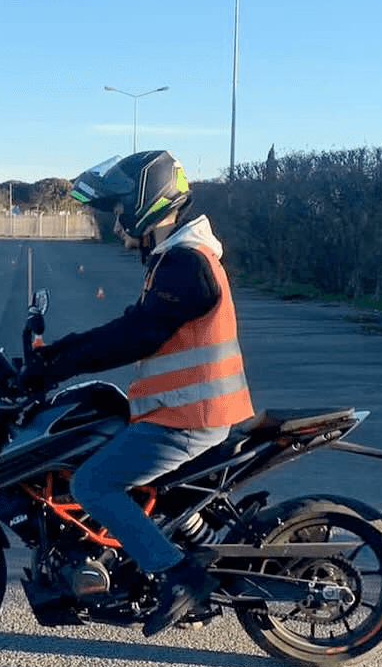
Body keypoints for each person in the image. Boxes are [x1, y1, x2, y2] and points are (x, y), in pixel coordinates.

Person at [23, 151, 254, 635]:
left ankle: (177, 575)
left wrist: (57, 365)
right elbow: (131, 328)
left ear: (142, 205)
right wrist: (58, 355)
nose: (113, 226)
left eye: (116, 213)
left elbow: (136, 337)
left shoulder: (185, 264)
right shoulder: (175, 259)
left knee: (92, 484)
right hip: (181, 412)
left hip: (191, 417)